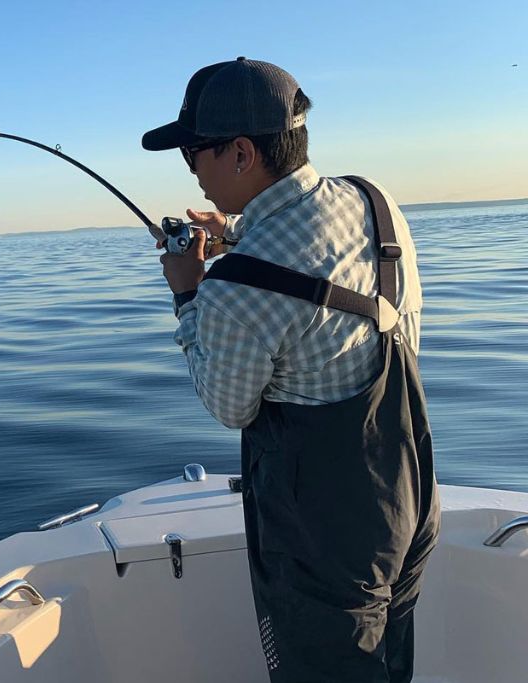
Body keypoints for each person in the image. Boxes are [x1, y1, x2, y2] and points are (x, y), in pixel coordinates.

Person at [141, 57, 441, 682]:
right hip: (409, 500)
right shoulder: (374, 200)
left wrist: (189, 292)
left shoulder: (235, 291)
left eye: (194, 151)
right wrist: (237, 235)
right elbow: (315, 260)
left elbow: (228, 407)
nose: (192, 169)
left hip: (322, 541)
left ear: (242, 153)